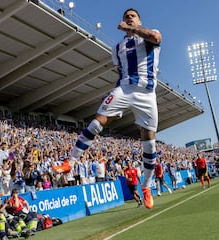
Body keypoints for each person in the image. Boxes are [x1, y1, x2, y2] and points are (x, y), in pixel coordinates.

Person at [69, 8, 162, 209]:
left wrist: (135, 29)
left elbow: (155, 37)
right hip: (125, 87)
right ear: (122, 22)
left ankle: (146, 186)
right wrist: (115, 93)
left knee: (149, 141)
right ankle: (71, 162)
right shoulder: (117, 47)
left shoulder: (149, 34)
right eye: (126, 16)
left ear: (139, 20)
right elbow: (121, 70)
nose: (129, 18)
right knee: (98, 120)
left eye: (133, 16)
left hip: (147, 93)